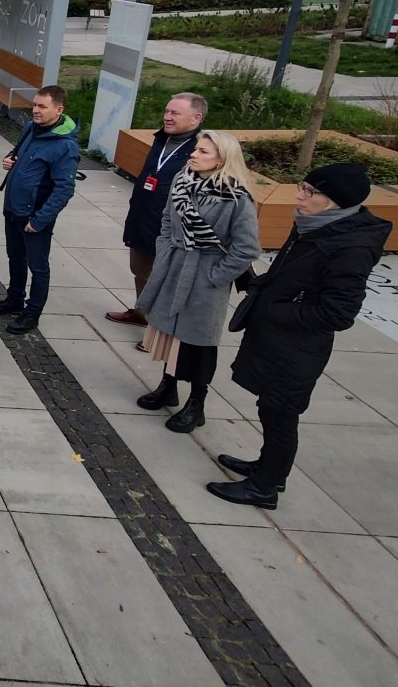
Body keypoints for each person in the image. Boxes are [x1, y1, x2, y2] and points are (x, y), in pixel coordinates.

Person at [209, 163, 391, 509]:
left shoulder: (349, 247)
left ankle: (264, 488)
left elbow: (338, 313)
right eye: (302, 187)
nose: (299, 195)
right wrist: (258, 285)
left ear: (335, 202)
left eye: (310, 192)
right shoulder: (315, 225)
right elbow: (293, 277)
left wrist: (277, 310)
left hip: (296, 348)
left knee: (280, 414)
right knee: (270, 408)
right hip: (278, 341)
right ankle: (268, 469)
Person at [135, 131, 260, 433]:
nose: (194, 155)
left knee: (198, 341)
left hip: (205, 277)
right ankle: (168, 385)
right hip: (174, 267)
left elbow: (246, 249)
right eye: (196, 150)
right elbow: (167, 218)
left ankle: (197, 404)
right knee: (169, 332)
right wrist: (166, 248)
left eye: (203, 152)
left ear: (222, 160)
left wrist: (213, 277)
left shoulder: (236, 198)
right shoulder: (183, 180)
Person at [106, 94, 206, 346]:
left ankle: (161, 332)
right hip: (143, 217)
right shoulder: (161, 139)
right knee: (140, 271)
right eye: (166, 111)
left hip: (171, 229)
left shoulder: (201, 149)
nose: (167, 117)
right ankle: (142, 312)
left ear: (196, 118)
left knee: (164, 279)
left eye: (175, 114)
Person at [0, 85, 80, 334]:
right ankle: (14, 299)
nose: (35, 110)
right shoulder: (30, 129)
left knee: (38, 267)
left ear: (59, 110)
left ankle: (32, 313)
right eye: (35, 105)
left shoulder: (65, 146)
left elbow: (64, 189)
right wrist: (9, 159)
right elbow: (18, 155)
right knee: (15, 257)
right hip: (13, 209)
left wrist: (40, 220)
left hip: (34, 217)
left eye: (42, 106)